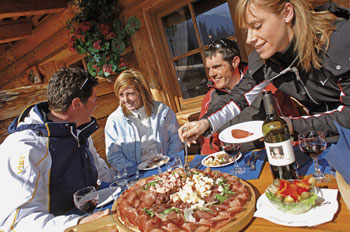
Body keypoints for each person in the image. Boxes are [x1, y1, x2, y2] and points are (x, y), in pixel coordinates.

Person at [179, 0, 350, 145]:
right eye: (247, 30)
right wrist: (205, 122)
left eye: (257, 26)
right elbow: (239, 96)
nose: (249, 39)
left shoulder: (340, 40)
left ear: (287, 13)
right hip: (327, 141)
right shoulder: (264, 60)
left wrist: (294, 126)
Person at [0, 68, 114, 232]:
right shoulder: (24, 147)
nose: (96, 104)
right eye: (93, 99)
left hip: (93, 214)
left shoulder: (78, 130)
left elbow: (97, 166)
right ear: (76, 104)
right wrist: (78, 225)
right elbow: (15, 222)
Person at [105, 68, 183, 171]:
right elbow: (114, 157)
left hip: (166, 167)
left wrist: (169, 164)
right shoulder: (114, 121)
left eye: (130, 94)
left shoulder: (162, 111)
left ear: (141, 92)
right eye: (121, 95)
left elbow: (176, 140)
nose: (125, 100)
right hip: (136, 175)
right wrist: (136, 171)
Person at [199, 39, 248, 154]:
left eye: (217, 67)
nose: (211, 74)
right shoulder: (210, 98)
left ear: (235, 62)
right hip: (231, 161)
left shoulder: (262, 85)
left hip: (267, 158)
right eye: (209, 69)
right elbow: (208, 144)